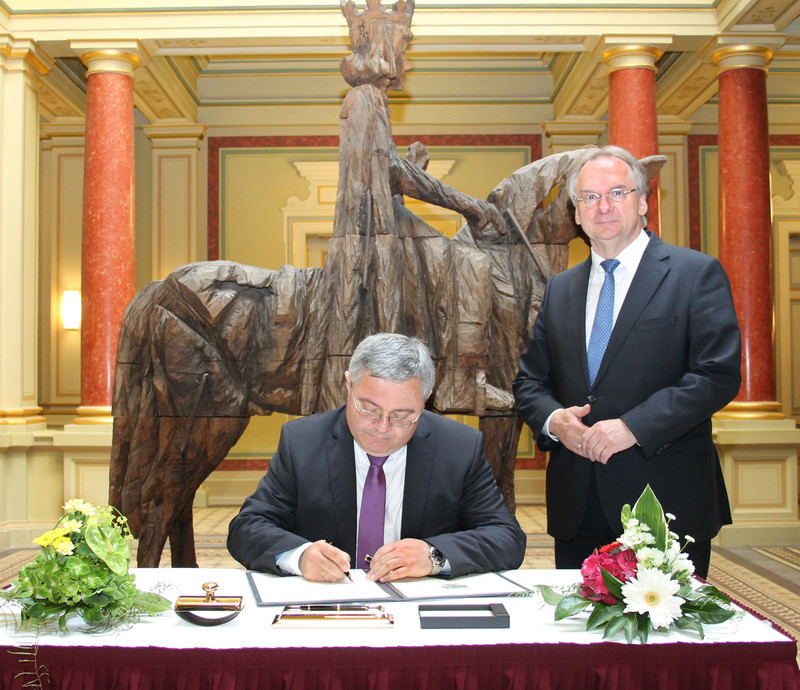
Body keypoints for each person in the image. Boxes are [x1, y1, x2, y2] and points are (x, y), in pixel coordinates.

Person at [512, 145, 741, 579]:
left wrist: (633, 427)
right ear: (576, 214)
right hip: (577, 503)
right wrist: (555, 420)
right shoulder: (560, 289)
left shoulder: (695, 274)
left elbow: (717, 375)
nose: (604, 206)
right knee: (581, 640)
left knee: (664, 642)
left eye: (617, 192)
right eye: (589, 197)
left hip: (665, 502)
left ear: (643, 201)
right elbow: (529, 382)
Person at [228, 332, 526, 582]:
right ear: (348, 384)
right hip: (327, 607)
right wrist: (300, 555)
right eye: (369, 409)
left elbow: (507, 537)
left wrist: (433, 555)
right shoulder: (302, 442)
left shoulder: (459, 447)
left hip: (418, 608)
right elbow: (247, 528)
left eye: (403, 415)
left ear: (426, 398)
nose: (382, 428)